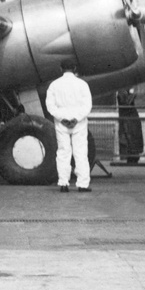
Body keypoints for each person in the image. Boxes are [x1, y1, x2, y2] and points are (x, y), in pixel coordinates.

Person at [45, 58, 94, 193]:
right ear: (75, 69)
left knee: (63, 152)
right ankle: (82, 184)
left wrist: (62, 118)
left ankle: (63, 183)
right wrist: (76, 119)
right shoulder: (82, 84)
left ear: (61, 69)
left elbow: (50, 106)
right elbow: (87, 105)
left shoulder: (54, 85)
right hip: (79, 123)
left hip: (61, 123)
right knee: (81, 152)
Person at [116, 87, 144, 165]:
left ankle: (134, 156)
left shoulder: (125, 93)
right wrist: (133, 95)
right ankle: (130, 156)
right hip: (127, 120)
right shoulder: (122, 92)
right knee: (129, 138)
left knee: (134, 138)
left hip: (132, 120)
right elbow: (125, 103)